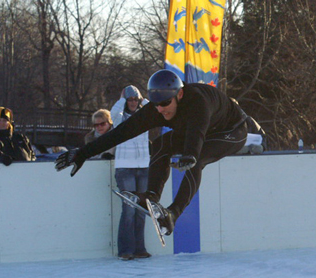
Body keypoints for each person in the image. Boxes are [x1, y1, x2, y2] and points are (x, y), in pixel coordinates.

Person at [56, 69, 249, 236]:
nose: (160, 109)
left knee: (197, 161)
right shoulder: (156, 109)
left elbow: (196, 134)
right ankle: (151, 196)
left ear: (179, 95)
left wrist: (189, 155)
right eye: (156, 104)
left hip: (231, 131)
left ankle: (173, 214)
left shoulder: (197, 102)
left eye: (165, 103)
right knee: (160, 144)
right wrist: (83, 153)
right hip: (200, 131)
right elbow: (120, 133)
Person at [110, 85, 151, 260]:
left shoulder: (145, 117)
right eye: (130, 100)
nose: (133, 103)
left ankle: (139, 248)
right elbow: (113, 113)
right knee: (129, 209)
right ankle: (125, 250)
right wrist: (122, 97)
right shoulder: (120, 120)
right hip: (124, 167)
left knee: (141, 209)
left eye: (136, 99)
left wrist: (143, 97)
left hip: (143, 167)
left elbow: (154, 105)